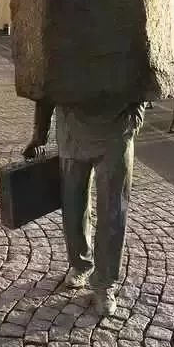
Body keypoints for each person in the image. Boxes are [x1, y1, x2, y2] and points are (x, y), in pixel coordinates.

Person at [23, 97, 146, 316]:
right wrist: (39, 134)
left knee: (113, 211)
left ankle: (105, 282)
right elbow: (45, 84)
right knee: (73, 207)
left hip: (116, 132)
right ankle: (80, 264)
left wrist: (135, 119)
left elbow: (145, 78)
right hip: (72, 132)